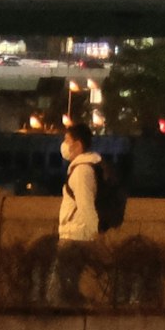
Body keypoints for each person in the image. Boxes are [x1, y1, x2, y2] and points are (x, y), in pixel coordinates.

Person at [50, 126, 104, 308]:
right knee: (67, 290)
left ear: (78, 145)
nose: (64, 145)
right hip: (76, 233)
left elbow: (86, 205)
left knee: (59, 293)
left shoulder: (82, 171)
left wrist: (93, 235)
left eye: (67, 141)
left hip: (75, 236)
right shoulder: (81, 169)